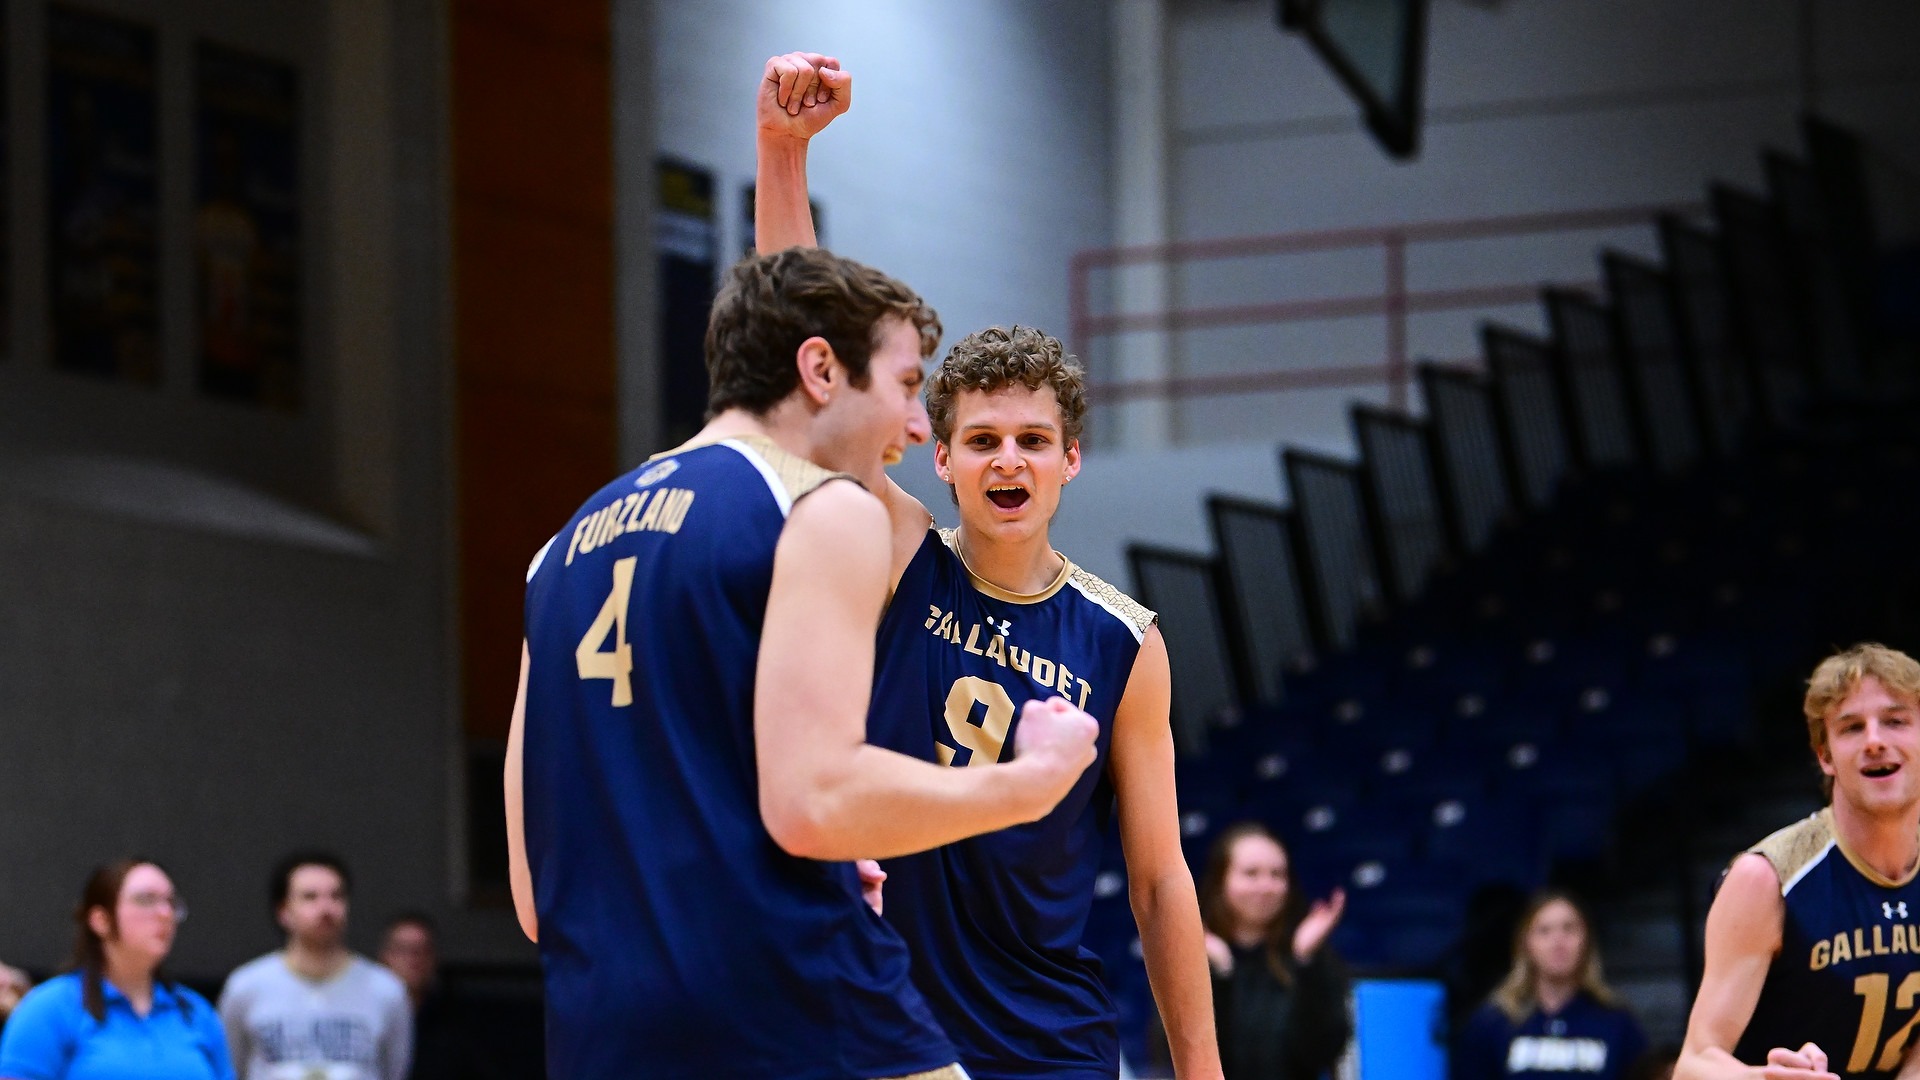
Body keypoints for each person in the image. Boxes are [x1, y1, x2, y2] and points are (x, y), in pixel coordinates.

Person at [501, 200, 1102, 1075]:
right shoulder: (820, 510)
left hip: (605, 1030)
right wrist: (1031, 784)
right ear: (821, 369)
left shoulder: (555, 554)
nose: (913, 426)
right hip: (795, 1004)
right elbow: (815, 801)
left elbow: (530, 893)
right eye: (904, 386)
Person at [754, 53, 1222, 1079]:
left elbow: (1160, 883)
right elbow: (809, 368)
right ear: (941, 456)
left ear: (1071, 459)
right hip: (887, 1033)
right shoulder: (894, 553)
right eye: (982, 439)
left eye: (1031, 439)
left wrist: (1202, 1071)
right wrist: (781, 155)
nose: (1008, 459)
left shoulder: (1124, 641)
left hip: (1050, 1047)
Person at [1677, 643, 1920, 1080]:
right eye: (1851, 728)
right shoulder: (1768, 878)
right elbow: (1693, 1064)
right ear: (1825, 756)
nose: (1875, 741)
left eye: (1895, 721)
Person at [0, 858, 234, 1080]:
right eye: (146, 900)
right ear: (100, 920)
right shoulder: (49, 1007)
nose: (165, 914)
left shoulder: (196, 1012)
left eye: (171, 902)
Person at [218, 852, 411, 1080]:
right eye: (310, 897)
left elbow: (395, 1070)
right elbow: (228, 1067)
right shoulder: (245, 987)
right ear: (283, 912)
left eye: (336, 896)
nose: (326, 908)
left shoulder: (386, 990)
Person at [1193, 823, 1351, 1080]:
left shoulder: (1311, 956)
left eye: (1277, 874)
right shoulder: (1197, 957)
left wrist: (1305, 961)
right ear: (1221, 880)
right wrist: (1220, 973)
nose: (1266, 887)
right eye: (1251, 874)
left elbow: (1321, 1052)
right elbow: (1186, 1058)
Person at [1455, 891, 1646, 1080]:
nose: (1558, 942)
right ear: (1526, 943)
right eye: (1544, 931)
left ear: (1586, 941)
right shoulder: (1492, 1022)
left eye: (1569, 929)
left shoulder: (1617, 1021)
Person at [378, 914, 484, 1080]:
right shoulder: (368, 1016)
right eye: (403, 950)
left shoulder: (459, 1023)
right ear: (385, 958)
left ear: (434, 958)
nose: (413, 959)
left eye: (422, 950)